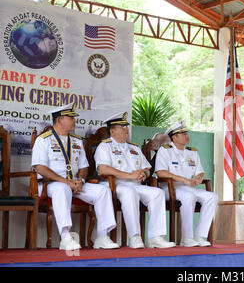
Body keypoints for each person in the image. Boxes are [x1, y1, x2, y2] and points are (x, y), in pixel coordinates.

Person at [31, 103, 119, 250]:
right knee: (62, 189)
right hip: (50, 185)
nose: (74, 121)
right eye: (71, 118)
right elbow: (40, 167)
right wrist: (66, 182)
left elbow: (84, 167)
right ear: (59, 120)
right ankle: (65, 237)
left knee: (103, 191)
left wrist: (81, 180)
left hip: (75, 184)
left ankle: (103, 237)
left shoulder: (77, 141)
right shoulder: (43, 139)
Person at [94, 112, 175, 249]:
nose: (126, 129)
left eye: (126, 126)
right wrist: (128, 175)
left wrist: (144, 174)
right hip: (116, 185)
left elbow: (147, 169)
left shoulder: (134, 147)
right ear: (112, 130)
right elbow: (103, 169)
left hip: (136, 184)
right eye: (122, 127)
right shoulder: (105, 146)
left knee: (157, 193)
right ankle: (135, 236)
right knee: (129, 193)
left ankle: (156, 237)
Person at [155, 120, 218, 247]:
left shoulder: (192, 152)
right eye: (183, 134)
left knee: (212, 197)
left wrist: (198, 179)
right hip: (170, 188)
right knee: (188, 197)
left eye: (186, 133)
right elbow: (160, 172)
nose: (187, 136)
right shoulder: (165, 150)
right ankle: (187, 238)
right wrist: (183, 179)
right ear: (174, 137)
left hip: (189, 188)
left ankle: (200, 236)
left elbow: (200, 172)